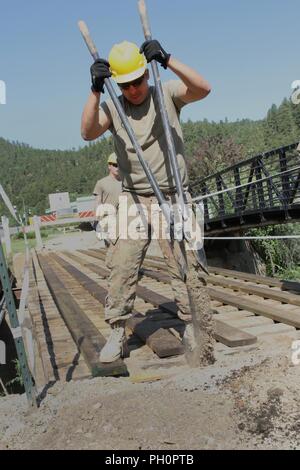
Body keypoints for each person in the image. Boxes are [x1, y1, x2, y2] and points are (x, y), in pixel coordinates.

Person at [81, 39, 214, 364]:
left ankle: (191, 324)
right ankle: (117, 329)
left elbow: (203, 88)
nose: (133, 90)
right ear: (118, 83)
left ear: (146, 75)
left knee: (184, 265)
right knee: (123, 265)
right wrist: (96, 90)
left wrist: (169, 59)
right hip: (135, 199)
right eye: (125, 84)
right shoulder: (114, 104)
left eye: (138, 81)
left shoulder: (165, 93)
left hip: (174, 196)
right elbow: (87, 132)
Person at [93, 152, 122, 270]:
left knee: (123, 247)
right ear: (109, 166)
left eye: (119, 164)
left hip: (123, 219)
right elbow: (97, 202)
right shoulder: (101, 183)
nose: (117, 167)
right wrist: (97, 222)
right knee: (112, 245)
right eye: (115, 165)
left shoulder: (125, 182)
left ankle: (118, 269)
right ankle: (112, 267)